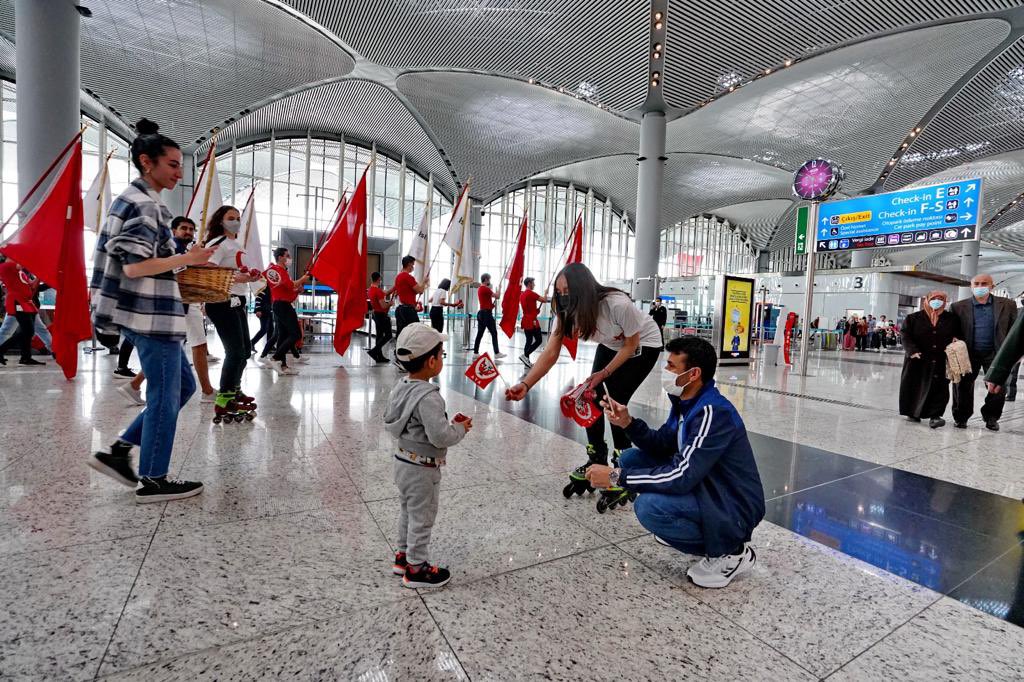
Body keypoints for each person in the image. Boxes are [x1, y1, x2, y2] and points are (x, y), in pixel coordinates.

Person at [87, 118, 215, 502]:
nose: (179, 172)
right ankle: (153, 479)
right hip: (148, 315)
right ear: (147, 162)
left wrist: (183, 260)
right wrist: (188, 257)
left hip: (149, 313)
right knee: (164, 395)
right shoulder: (143, 204)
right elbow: (134, 266)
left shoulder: (141, 200)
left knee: (184, 387)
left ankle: (120, 451)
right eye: (172, 164)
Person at [586, 336, 765, 589]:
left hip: (730, 503)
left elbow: (682, 475)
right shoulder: (684, 402)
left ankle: (732, 551)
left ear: (693, 374)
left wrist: (616, 477)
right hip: (705, 483)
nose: (665, 371)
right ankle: (688, 527)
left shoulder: (712, 412)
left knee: (649, 508)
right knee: (630, 459)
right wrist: (627, 423)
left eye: (671, 366)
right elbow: (663, 444)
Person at [505, 263, 663, 506]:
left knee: (612, 401)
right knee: (589, 397)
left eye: (568, 291)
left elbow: (631, 345)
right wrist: (526, 384)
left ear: (584, 289)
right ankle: (596, 457)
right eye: (559, 292)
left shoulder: (617, 305)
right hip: (611, 345)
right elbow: (550, 352)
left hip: (644, 345)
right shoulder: (566, 311)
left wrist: (604, 373)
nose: (563, 297)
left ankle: (623, 465)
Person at [382, 323, 472, 588]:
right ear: (432, 361)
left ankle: (403, 556)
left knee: (408, 512)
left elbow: (416, 424)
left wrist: (446, 424)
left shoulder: (401, 386)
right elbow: (440, 437)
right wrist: (459, 428)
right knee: (422, 518)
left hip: (402, 462)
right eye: (441, 354)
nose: (442, 358)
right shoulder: (429, 397)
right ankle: (417, 569)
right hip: (422, 470)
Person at [203, 205, 261, 419]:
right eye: (231, 218)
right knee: (235, 352)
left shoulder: (234, 244)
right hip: (222, 301)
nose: (235, 221)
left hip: (237, 299)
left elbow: (234, 272)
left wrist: (248, 277)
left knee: (244, 351)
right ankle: (224, 398)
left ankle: (234, 389)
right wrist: (238, 277)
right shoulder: (218, 243)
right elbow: (208, 268)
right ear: (220, 220)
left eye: (237, 218)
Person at [950, 274, 1018, 431]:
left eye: (984, 283)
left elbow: (1014, 329)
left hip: (996, 354)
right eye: (977, 284)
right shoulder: (958, 307)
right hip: (967, 354)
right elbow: (952, 329)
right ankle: (961, 417)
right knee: (962, 386)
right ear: (971, 286)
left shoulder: (1008, 305)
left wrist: (1015, 352)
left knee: (999, 386)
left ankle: (991, 417)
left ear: (992, 286)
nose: (980, 287)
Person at [899, 292, 961, 428]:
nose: (937, 301)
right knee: (916, 385)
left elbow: (958, 334)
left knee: (939, 387)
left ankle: (935, 416)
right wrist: (912, 351)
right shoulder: (913, 318)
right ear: (927, 300)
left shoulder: (951, 319)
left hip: (941, 358)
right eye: (934, 298)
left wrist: (956, 340)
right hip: (918, 358)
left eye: (941, 299)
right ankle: (913, 413)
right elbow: (905, 335)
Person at [171, 216, 216, 403]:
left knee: (174, 348)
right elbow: (175, 270)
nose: (188, 232)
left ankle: (134, 385)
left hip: (187, 303)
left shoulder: (184, 250)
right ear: (174, 230)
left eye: (191, 229)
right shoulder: (172, 248)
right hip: (182, 303)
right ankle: (207, 391)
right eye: (184, 228)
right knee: (198, 345)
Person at [264, 247, 308, 375]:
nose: (289, 258)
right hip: (282, 305)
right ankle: (275, 358)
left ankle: (283, 366)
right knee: (296, 334)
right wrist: (303, 279)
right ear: (280, 258)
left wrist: (297, 291)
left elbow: (289, 292)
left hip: (282, 304)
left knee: (282, 335)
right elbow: (291, 285)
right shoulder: (277, 271)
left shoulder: (282, 272)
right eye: (287, 256)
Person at [0, 256, 45, 366]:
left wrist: (40, 276)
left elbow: (32, 286)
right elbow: (23, 264)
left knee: (28, 331)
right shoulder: (6, 266)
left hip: (27, 303)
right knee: (28, 331)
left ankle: (26, 357)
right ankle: (2, 350)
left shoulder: (21, 272)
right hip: (17, 302)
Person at [985, 306, 1024, 401]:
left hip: (1013, 350)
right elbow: (1015, 337)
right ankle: (1010, 394)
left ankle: (1010, 394)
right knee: (1012, 373)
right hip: (1011, 351)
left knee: (1013, 373)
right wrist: (996, 374)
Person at [389, 255, 427, 340]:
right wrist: (424, 282)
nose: (413, 267)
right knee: (416, 331)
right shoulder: (408, 277)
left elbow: (408, 292)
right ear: (409, 264)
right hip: (408, 310)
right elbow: (420, 290)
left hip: (400, 309)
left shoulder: (398, 277)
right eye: (413, 265)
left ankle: (399, 348)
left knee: (401, 333)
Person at [473, 272, 504, 358]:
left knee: (480, 333)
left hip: (481, 313)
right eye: (489, 279)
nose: (489, 281)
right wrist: (500, 288)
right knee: (494, 333)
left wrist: (491, 306)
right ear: (486, 279)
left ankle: (475, 353)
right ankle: (497, 353)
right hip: (486, 314)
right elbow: (497, 296)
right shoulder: (485, 289)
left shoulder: (480, 289)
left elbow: (486, 302)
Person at [519, 276, 548, 368]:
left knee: (529, 340)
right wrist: (546, 293)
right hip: (532, 321)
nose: (534, 285)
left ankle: (526, 362)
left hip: (525, 319)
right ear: (529, 284)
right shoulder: (531, 293)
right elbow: (544, 300)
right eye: (533, 283)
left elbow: (529, 308)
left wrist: (536, 311)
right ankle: (525, 355)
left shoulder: (522, 294)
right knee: (539, 340)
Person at [367, 271, 392, 364]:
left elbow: (384, 295)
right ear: (379, 279)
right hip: (381, 315)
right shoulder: (378, 291)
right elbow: (383, 306)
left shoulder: (370, 290)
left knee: (379, 335)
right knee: (388, 335)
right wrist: (390, 303)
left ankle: (379, 356)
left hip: (376, 314)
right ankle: (374, 351)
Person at [250, 282, 275, 359]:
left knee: (271, 329)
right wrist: (258, 310)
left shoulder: (271, 289)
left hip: (269, 311)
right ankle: (251, 343)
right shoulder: (264, 288)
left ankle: (270, 346)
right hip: (263, 311)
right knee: (264, 329)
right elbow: (258, 298)